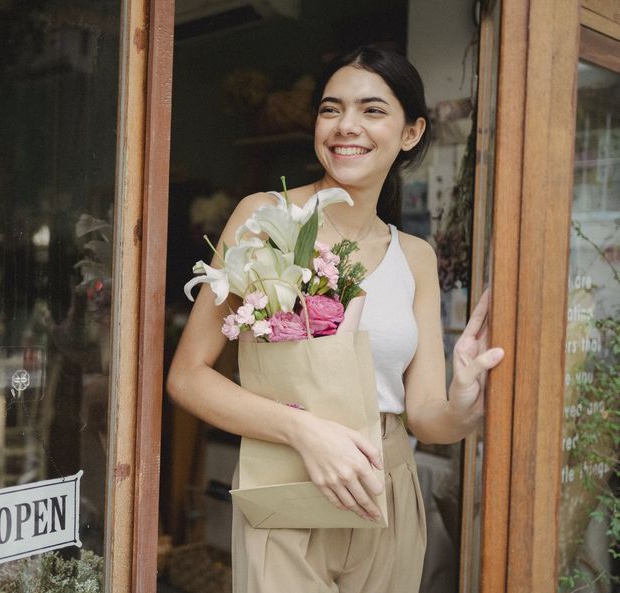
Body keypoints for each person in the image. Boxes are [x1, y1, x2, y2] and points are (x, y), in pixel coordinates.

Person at [166, 46, 505, 593]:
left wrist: (464, 407)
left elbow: (424, 417)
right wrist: (303, 430)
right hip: (287, 480)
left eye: (372, 110)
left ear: (411, 132)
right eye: (331, 109)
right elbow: (187, 377)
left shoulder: (415, 255)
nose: (347, 125)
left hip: (387, 489)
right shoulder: (264, 217)